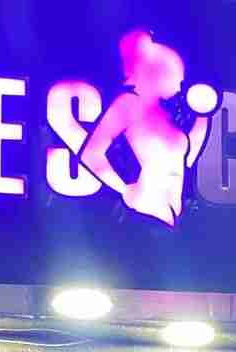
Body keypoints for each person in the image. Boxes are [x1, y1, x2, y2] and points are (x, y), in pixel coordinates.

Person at [80, 29, 214, 226]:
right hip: (148, 205)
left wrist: (204, 116)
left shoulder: (166, 114)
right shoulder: (129, 104)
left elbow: (187, 157)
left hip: (172, 211)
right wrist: (124, 189)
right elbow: (91, 153)